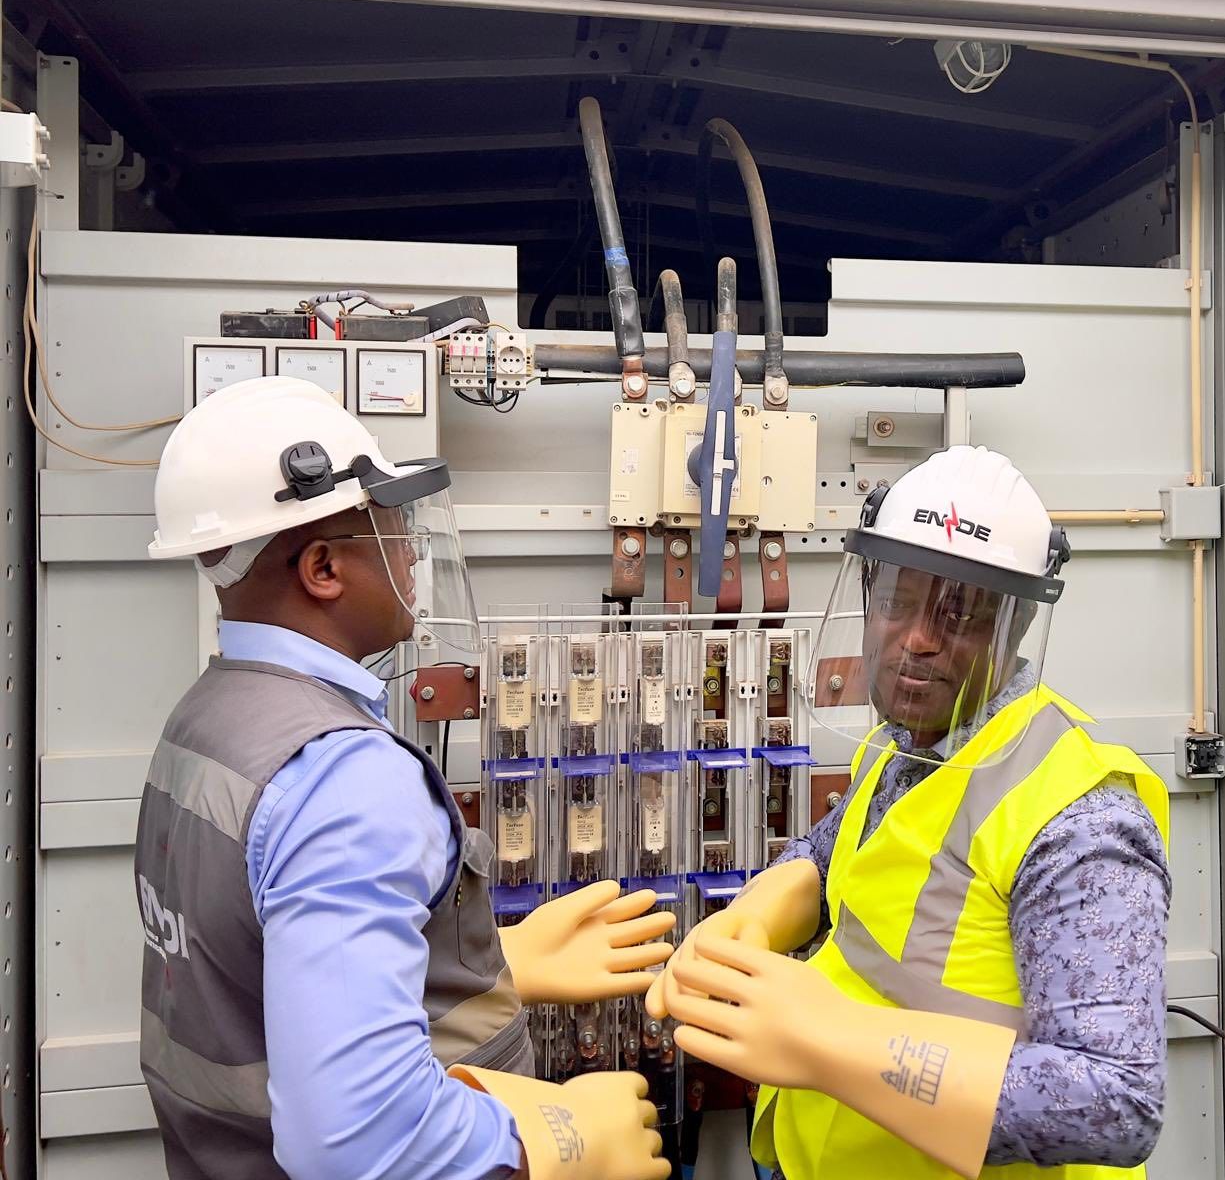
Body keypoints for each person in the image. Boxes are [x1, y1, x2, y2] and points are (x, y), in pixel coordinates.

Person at [135, 376, 674, 1180]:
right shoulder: (344, 778)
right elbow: (358, 1141)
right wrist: (550, 1142)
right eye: (390, 523)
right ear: (322, 567)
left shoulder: (210, 718)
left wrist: (485, 969)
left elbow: (248, 971)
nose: (412, 549)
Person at [649, 445, 1170, 1180]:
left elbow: (1116, 1103)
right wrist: (757, 912)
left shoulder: (1081, 822)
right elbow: (838, 856)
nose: (918, 638)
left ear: (1017, 623)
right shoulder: (906, 745)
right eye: (897, 599)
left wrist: (831, 1041)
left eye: (959, 611)